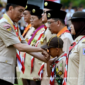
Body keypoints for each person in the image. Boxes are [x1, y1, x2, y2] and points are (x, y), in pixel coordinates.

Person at [0, 0, 49, 85]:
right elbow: (20, 47)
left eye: (23, 12)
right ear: (11, 8)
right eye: (20, 11)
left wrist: (46, 60)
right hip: (2, 72)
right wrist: (41, 49)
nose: (22, 15)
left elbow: (25, 46)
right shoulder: (4, 24)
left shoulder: (13, 24)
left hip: (6, 71)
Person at [20, 5, 48, 85]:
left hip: (37, 70)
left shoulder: (45, 31)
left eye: (33, 18)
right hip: (26, 69)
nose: (31, 20)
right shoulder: (31, 29)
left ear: (40, 19)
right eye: (31, 18)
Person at [67, 11, 85, 85]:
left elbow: (83, 73)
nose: (70, 26)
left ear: (80, 25)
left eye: (73, 23)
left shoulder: (83, 45)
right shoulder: (78, 42)